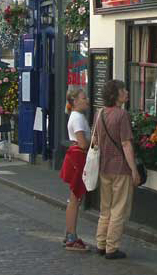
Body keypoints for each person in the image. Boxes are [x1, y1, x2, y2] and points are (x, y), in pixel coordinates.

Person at [96, 79, 140, 259]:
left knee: (105, 207)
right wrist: (134, 170)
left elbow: (96, 140)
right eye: (123, 90)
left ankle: (100, 242)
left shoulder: (99, 113)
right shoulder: (122, 115)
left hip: (104, 166)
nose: (127, 92)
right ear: (116, 95)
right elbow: (126, 144)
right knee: (118, 208)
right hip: (120, 168)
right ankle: (112, 247)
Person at [60, 88, 90, 251]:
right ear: (75, 101)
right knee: (75, 198)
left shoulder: (77, 117)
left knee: (74, 198)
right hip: (79, 157)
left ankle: (70, 233)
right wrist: (94, 139)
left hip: (76, 156)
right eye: (83, 98)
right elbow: (83, 143)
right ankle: (71, 236)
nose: (87, 100)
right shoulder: (78, 118)